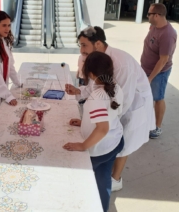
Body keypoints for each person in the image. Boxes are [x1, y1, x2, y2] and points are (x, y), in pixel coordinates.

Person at [65, 26, 155, 192]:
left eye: (84, 45)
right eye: (80, 45)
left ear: (98, 43)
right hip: (116, 104)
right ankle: (106, 173)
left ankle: (116, 179)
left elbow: (124, 100)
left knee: (124, 141)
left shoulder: (121, 64)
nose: (81, 50)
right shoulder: (98, 59)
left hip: (133, 103)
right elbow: (95, 86)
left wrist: (97, 124)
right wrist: (80, 94)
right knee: (111, 138)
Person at [63, 51, 124, 212]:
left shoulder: (97, 96)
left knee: (86, 180)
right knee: (103, 180)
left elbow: (102, 128)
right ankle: (102, 208)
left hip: (100, 148)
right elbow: (111, 115)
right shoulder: (115, 87)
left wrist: (83, 146)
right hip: (115, 142)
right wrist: (85, 121)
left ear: (90, 73)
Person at [141, 3, 177, 139]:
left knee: (158, 98)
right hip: (145, 68)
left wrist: (150, 78)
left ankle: (157, 127)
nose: (147, 16)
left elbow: (163, 60)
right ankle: (147, 121)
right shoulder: (154, 26)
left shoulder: (168, 35)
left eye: (149, 14)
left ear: (156, 15)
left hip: (158, 73)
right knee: (146, 96)